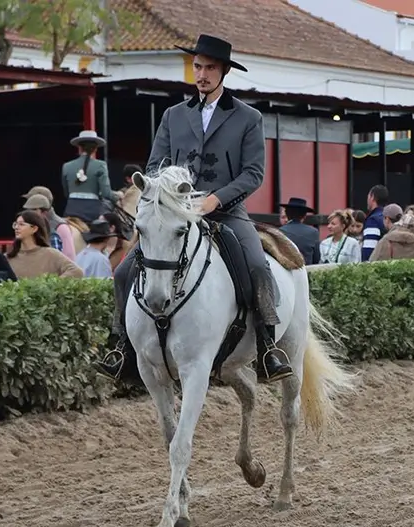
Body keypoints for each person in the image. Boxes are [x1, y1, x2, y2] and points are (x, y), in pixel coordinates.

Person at [97, 33, 292, 385]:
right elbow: (156, 163)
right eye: (197, 66)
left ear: (224, 71)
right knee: (126, 271)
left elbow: (254, 173)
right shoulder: (173, 116)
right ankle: (121, 348)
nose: (201, 74)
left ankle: (267, 349)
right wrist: (168, 197)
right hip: (175, 213)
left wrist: (215, 199)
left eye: (209, 68)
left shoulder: (248, 117)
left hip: (226, 211)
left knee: (256, 266)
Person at [61, 130, 117, 225]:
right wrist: (118, 197)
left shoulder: (66, 166)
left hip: (71, 210)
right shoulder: (100, 165)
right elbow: (106, 193)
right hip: (92, 212)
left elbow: (66, 192)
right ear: (95, 149)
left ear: (79, 147)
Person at [278, 196, 321, 265]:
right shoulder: (313, 232)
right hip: (306, 271)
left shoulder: (280, 231)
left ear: (287, 214)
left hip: (286, 271)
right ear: (304, 216)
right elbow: (316, 259)